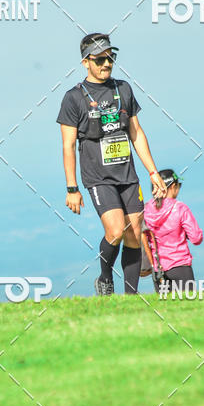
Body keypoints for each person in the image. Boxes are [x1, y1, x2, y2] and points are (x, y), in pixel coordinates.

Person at [57, 32, 166, 295]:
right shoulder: (73, 98)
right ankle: (105, 278)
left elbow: (136, 134)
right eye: (100, 59)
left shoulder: (123, 89)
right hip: (98, 177)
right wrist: (72, 188)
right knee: (116, 231)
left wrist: (153, 172)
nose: (106, 64)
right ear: (86, 62)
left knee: (133, 233)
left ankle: (130, 297)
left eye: (110, 58)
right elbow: (68, 145)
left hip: (128, 175)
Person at [143, 169, 203, 292]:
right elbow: (196, 239)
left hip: (158, 269)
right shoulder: (180, 208)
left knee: (165, 309)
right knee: (188, 305)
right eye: (178, 185)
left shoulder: (146, 210)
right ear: (173, 186)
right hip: (181, 265)